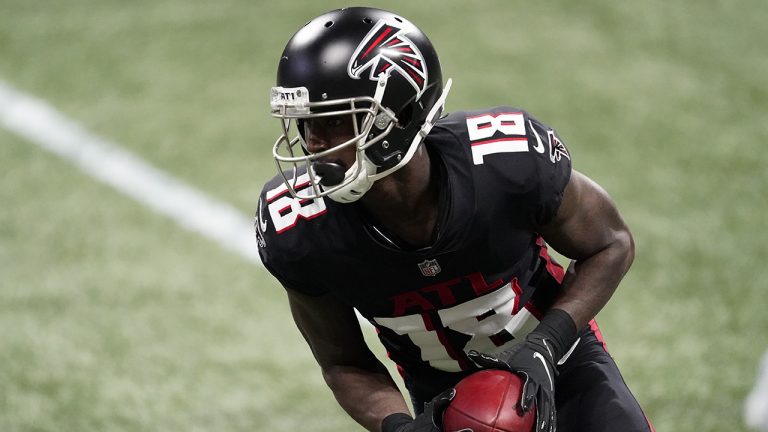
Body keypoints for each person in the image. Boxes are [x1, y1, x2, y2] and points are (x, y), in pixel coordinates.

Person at [257, 7, 654, 432]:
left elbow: (610, 244)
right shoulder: (299, 227)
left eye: (333, 122)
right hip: (447, 402)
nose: (313, 144)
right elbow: (343, 362)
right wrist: (400, 427)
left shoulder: (505, 165)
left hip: (561, 362)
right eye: (304, 124)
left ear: (402, 116)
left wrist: (546, 342)